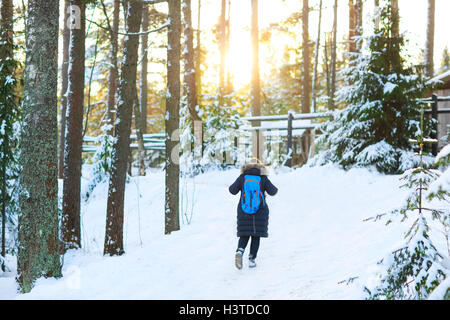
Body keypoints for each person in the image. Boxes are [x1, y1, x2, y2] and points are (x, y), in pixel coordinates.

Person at [229, 159, 278, 269]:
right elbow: (273, 191)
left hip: (243, 211)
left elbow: (232, 190)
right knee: (255, 235)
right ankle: (251, 259)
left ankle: (240, 251)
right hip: (259, 212)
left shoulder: (243, 177)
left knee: (244, 233)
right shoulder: (263, 178)